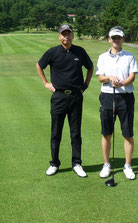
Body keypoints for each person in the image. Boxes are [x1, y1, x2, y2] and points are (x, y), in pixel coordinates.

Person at [36, 24, 94, 177]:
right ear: (59, 36)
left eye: (68, 34)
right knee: (56, 133)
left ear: (72, 36)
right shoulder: (52, 52)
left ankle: (77, 163)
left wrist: (86, 84)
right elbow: (39, 65)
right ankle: (54, 163)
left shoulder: (79, 51)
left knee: (75, 133)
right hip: (59, 97)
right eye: (63, 34)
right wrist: (46, 83)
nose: (66, 37)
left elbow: (90, 67)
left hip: (75, 96)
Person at [96, 26, 138, 180]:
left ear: (123, 39)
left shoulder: (130, 56)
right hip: (107, 96)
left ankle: (127, 166)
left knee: (127, 133)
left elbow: (132, 77)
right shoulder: (102, 57)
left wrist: (122, 84)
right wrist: (109, 78)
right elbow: (100, 77)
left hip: (125, 97)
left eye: (118, 37)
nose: (116, 40)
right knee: (106, 132)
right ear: (109, 39)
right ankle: (106, 165)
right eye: (113, 38)